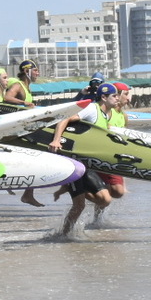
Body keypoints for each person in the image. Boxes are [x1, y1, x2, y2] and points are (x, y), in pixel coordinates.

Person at [47, 82, 126, 234]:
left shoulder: (106, 115)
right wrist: (56, 140)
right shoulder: (92, 109)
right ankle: (63, 235)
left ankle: (70, 195)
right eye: (114, 96)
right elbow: (65, 119)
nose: (117, 98)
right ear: (103, 97)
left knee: (105, 200)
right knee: (79, 206)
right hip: (75, 164)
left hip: (88, 165)